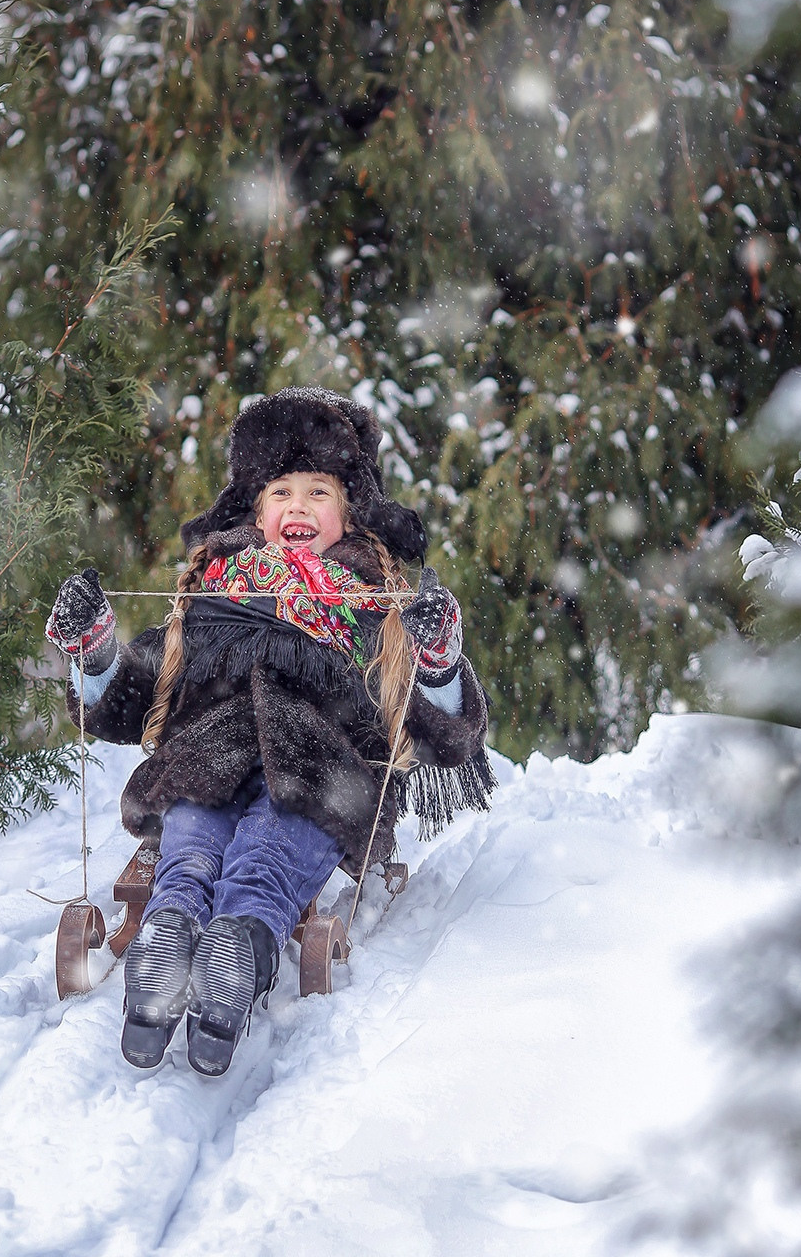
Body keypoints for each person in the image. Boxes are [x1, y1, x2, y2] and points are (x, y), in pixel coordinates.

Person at [46, 386, 494, 1076]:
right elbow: (142, 694)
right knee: (190, 853)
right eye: (281, 492)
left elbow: (437, 733)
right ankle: (166, 944)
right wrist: (100, 653)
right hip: (205, 762)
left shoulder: (375, 606)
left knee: (263, 860)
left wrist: (436, 662)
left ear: (350, 512)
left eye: (318, 492)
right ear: (256, 512)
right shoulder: (212, 590)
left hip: (320, 778)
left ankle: (236, 953)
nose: (298, 508)